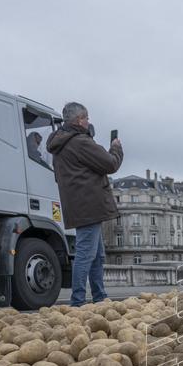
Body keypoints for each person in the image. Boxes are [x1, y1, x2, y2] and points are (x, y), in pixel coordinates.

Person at [47, 102, 123, 307]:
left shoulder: (59, 146)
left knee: (97, 254)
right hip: (89, 205)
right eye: (87, 118)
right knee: (85, 254)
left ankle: (99, 296)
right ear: (80, 120)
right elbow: (110, 164)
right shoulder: (80, 142)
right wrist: (116, 147)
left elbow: (59, 177)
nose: (89, 122)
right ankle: (78, 301)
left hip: (77, 205)